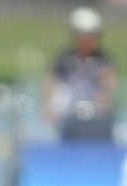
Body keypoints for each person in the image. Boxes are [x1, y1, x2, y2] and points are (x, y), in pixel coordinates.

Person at [43, 6, 118, 142]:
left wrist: (104, 100)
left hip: (96, 116)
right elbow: (51, 82)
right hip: (69, 115)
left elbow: (109, 85)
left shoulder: (103, 60)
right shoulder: (64, 59)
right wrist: (50, 106)